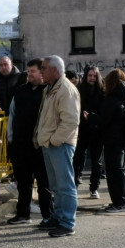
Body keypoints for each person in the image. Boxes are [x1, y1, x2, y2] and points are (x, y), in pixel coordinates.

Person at [35, 55, 80, 238]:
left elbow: (71, 121)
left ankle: (67, 223)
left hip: (60, 144)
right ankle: (59, 217)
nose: (41, 72)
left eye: (44, 68)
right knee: (56, 185)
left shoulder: (66, 89)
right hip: (50, 142)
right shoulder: (50, 88)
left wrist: (54, 140)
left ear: (55, 70)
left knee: (65, 185)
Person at [5, 59, 52, 225]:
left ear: (41, 72)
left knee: (44, 183)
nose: (29, 74)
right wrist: (10, 138)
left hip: (40, 146)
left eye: (32, 71)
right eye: (29, 71)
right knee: (23, 183)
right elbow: (12, 115)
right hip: (20, 144)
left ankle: (48, 216)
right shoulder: (19, 91)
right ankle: (23, 214)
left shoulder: (48, 92)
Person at [88, 69, 125, 213]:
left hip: (113, 138)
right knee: (123, 170)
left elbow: (104, 120)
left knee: (114, 171)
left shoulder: (112, 99)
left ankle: (120, 203)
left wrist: (90, 117)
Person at [73, 66, 104, 198]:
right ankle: (74, 185)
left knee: (96, 161)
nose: (91, 78)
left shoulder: (102, 91)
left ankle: (94, 187)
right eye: (90, 75)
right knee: (77, 158)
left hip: (97, 130)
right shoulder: (79, 91)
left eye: (94, 76)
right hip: (82, 130)